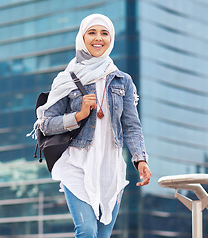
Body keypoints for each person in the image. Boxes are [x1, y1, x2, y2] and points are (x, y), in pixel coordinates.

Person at [34, 14, 152, 237]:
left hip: (111, 168)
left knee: (103, 235)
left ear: (111, 39)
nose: (98, 38)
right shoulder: (67, 78)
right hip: (77, 165)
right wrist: (78, 116)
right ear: (82, 37)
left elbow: (132, 125)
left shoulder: (123, 81)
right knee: (87, 231)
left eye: (104, 33)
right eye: (92, 32)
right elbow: (46, 125)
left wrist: (140, 158)